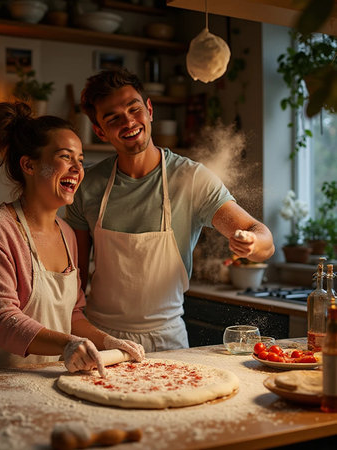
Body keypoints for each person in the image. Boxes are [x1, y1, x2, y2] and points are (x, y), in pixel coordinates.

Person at [65, 68, 275, 352]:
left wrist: (252, 243)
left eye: (134, 109)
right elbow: (74, 275)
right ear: (100, 131)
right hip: (102, 339)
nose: (128, 121)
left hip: (167, 339)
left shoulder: (191, 179)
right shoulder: (87, 185)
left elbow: (262, 238)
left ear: (149, 110)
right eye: (113, 118)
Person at [0, 101, 144, 374]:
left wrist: (107, 341)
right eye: (65, 157)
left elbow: (72, 316)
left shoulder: (67, 233)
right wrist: (68, 344)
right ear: (29, 165)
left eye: (80, 160)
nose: (78, 169)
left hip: (42, 380)